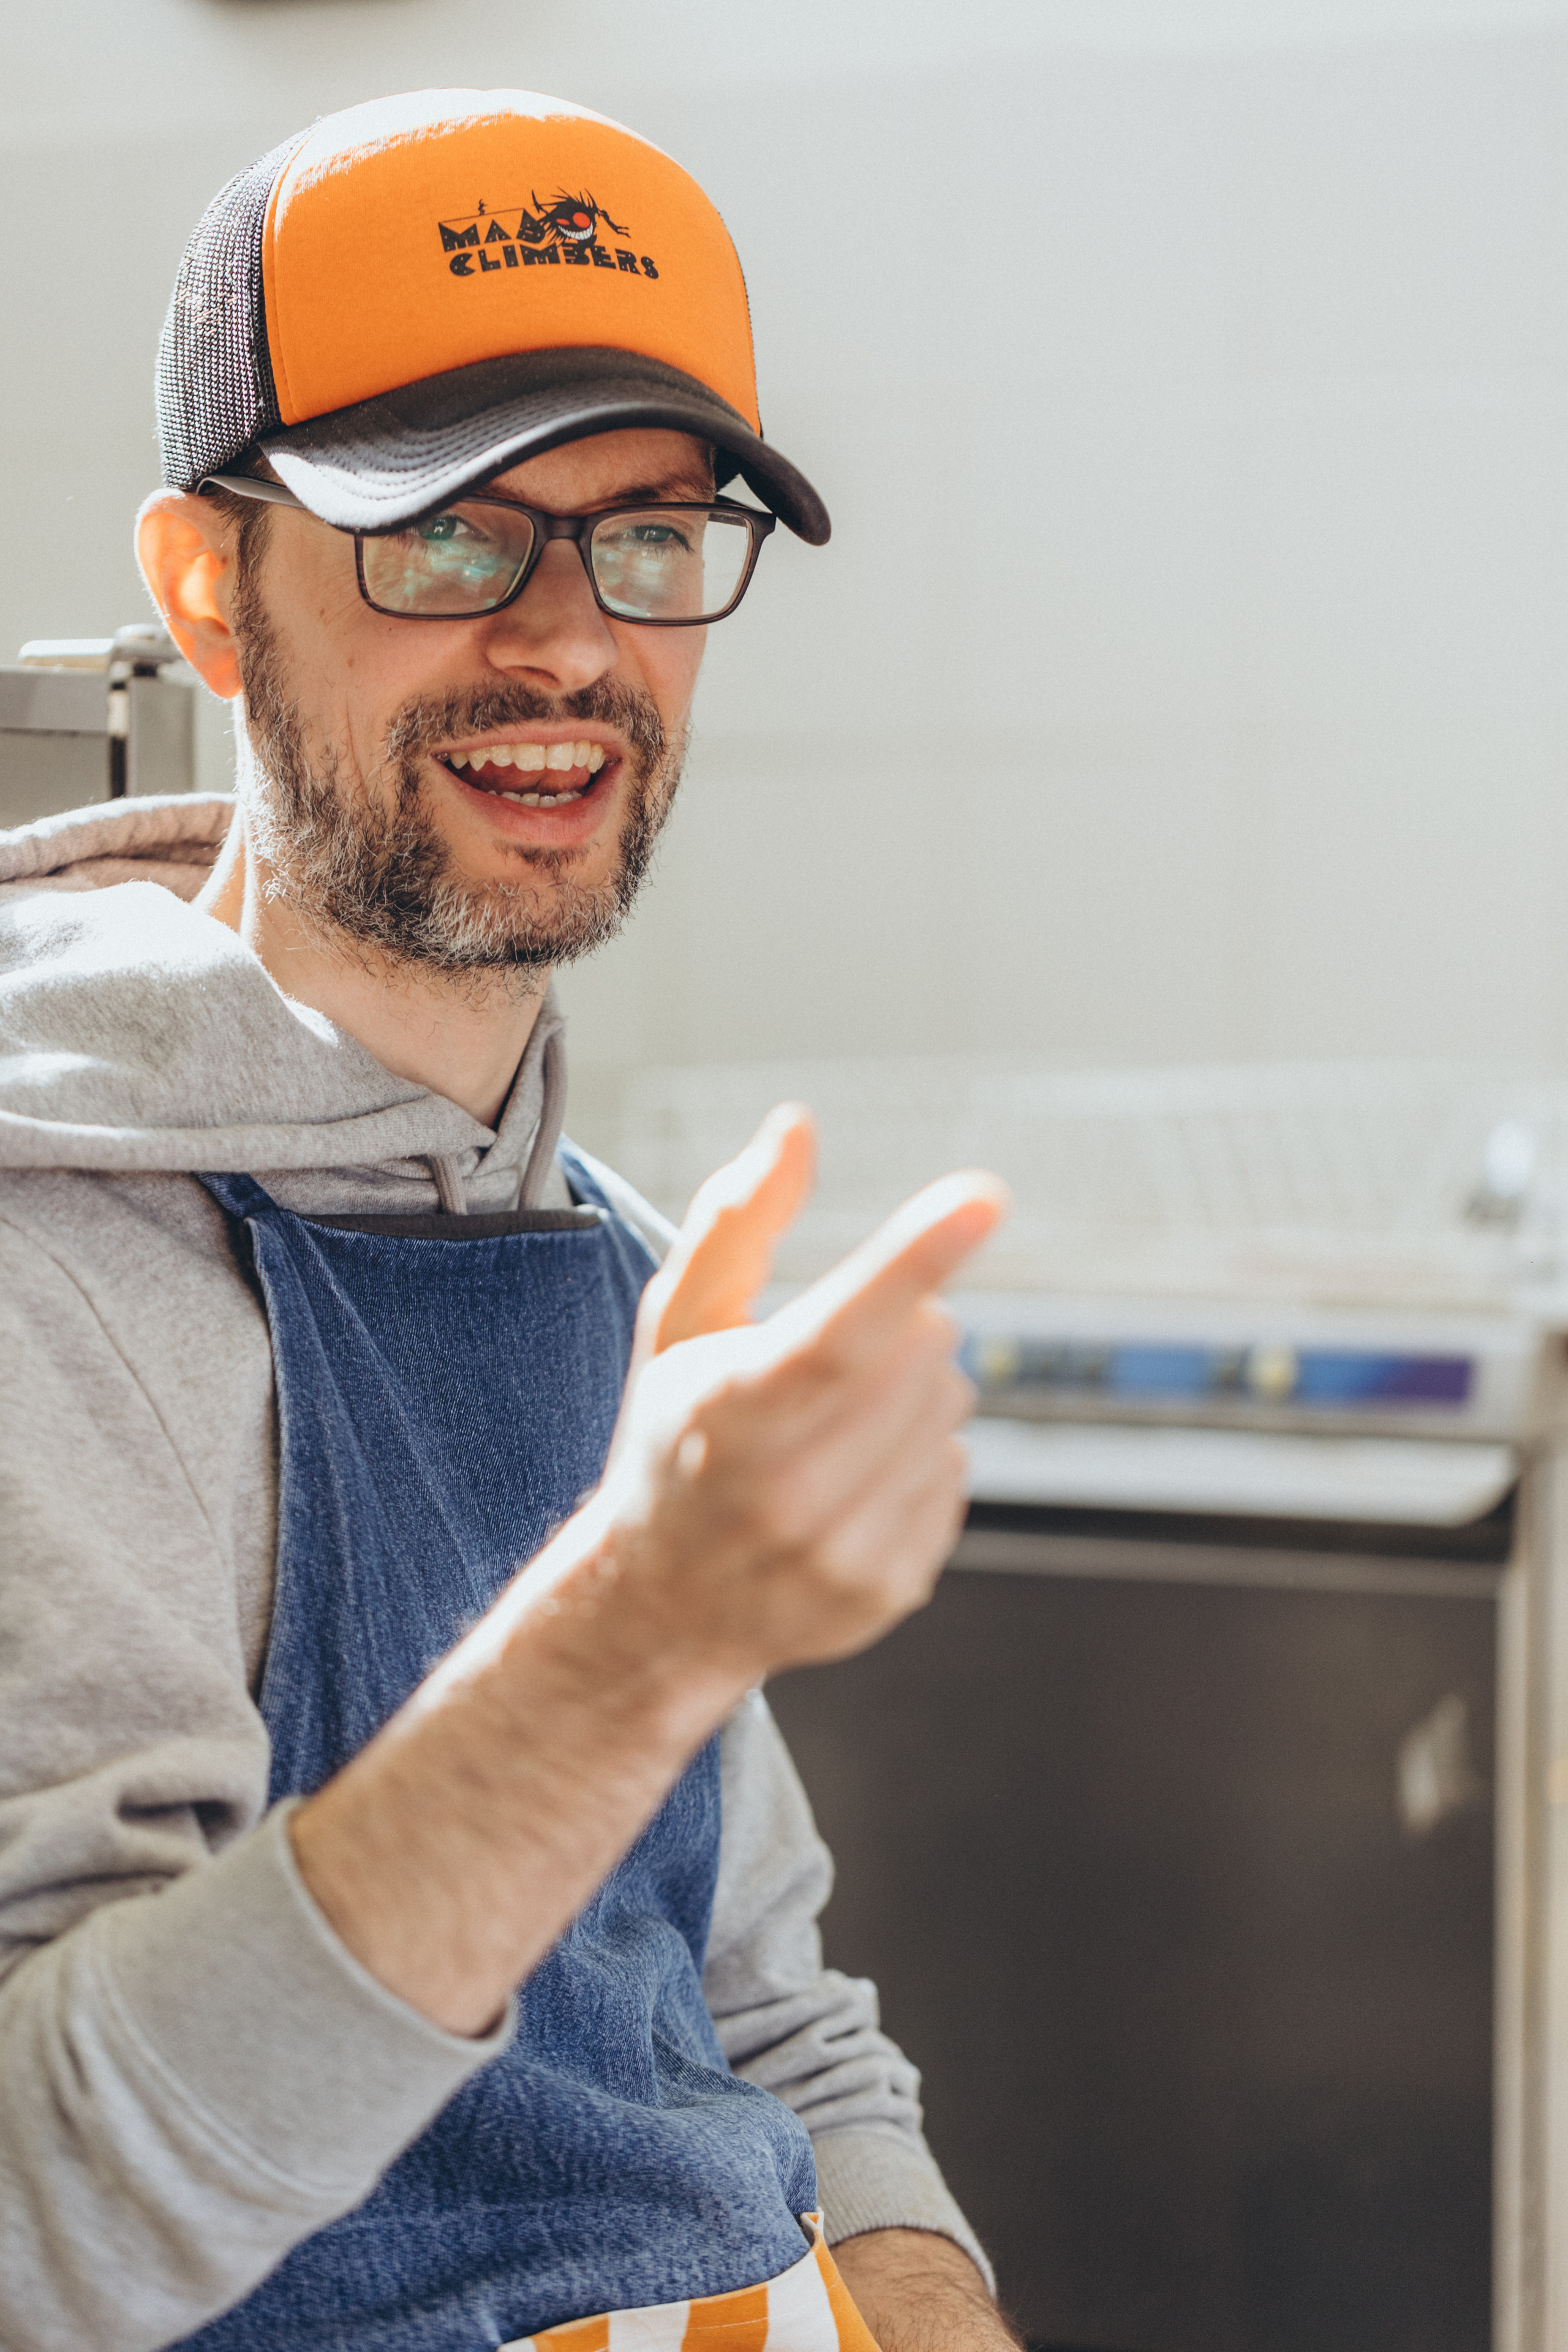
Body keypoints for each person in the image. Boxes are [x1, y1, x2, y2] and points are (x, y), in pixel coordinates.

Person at [0, 89, 1016, 2352]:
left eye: (646, 538)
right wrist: (631, 1634)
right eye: (449, 535)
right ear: (208, 592)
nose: (567, 645)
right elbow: (41, 2222)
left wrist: (924, 2301)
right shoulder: (46, 1276)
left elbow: (765, 2012)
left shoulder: (611, 1256)